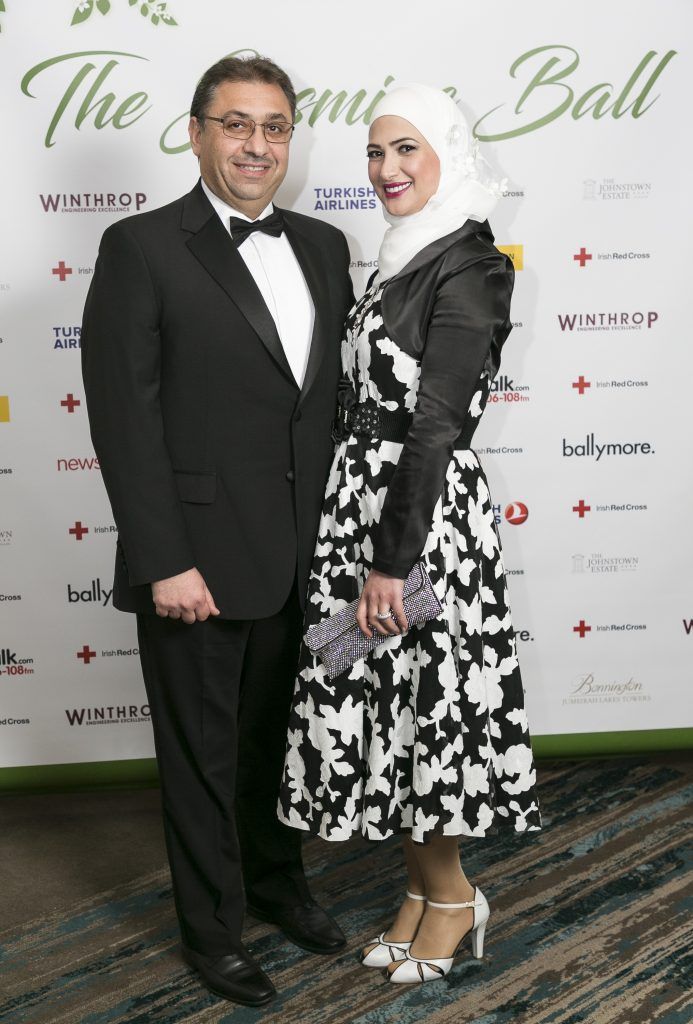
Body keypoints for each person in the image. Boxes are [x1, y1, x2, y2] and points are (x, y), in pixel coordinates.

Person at [81, 55, 354, 1007]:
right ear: (196, 133)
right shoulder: (141, 246)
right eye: (236, 124)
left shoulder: (322, 245)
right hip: (193, 562)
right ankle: (212, 932)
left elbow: (318, 408)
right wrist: (164, 560)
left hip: (300, 554)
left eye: (274, 127)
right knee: (201, 761)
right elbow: (123, 417)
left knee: (279, 743)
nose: (257, 145)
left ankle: (281, 888)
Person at [277, 83, 542, 985]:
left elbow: (436, 424)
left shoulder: (471, 264)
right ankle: (423, 893)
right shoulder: (397, 257)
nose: (385, 170)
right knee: (387, 716)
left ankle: (456, 893)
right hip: (362, 514)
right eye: (374, 153)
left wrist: (390, 563)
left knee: (430, 714)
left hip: (419, 528)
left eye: (405, 152)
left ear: (445, 157)